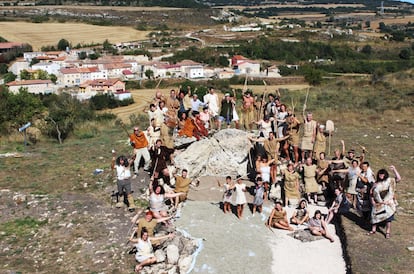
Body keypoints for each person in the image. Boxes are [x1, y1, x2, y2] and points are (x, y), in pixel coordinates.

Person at [368, 168, 400, 238]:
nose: (381, 175)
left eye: (382, 174)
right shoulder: (376, 184)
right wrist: (372, 201)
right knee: (375, 217)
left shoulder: (390, 181)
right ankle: (373, 230)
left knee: (389, 218)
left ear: (385, 175)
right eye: (380, 174)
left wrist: (394, 169)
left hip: (389, 202)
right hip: (378, 203)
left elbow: (398, 178)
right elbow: (371, 193)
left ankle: (387, 232)